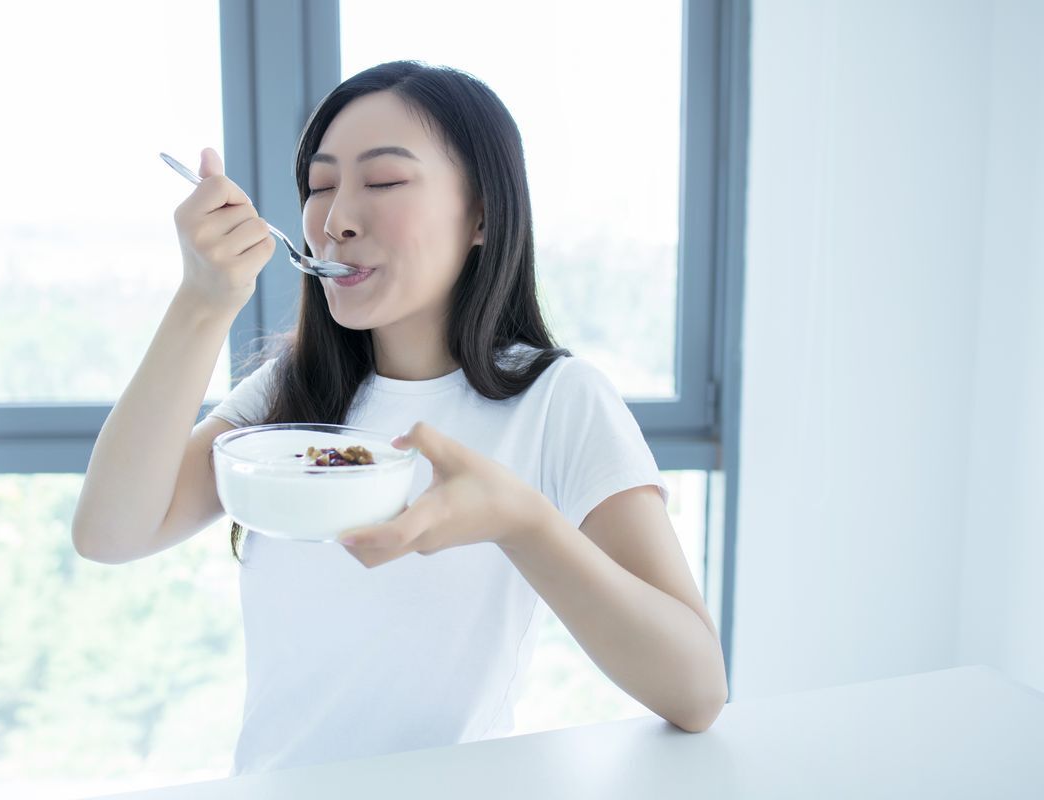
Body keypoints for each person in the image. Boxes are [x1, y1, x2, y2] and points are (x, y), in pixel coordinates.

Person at [72, 60, 726, 777]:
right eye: (319, 187)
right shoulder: (291, 394)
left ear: (481, 215)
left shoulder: (557, 402)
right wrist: (203, 301)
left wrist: (523, 523)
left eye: (383, 182)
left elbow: (696, 692)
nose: (335, 219)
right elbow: (110, 533)